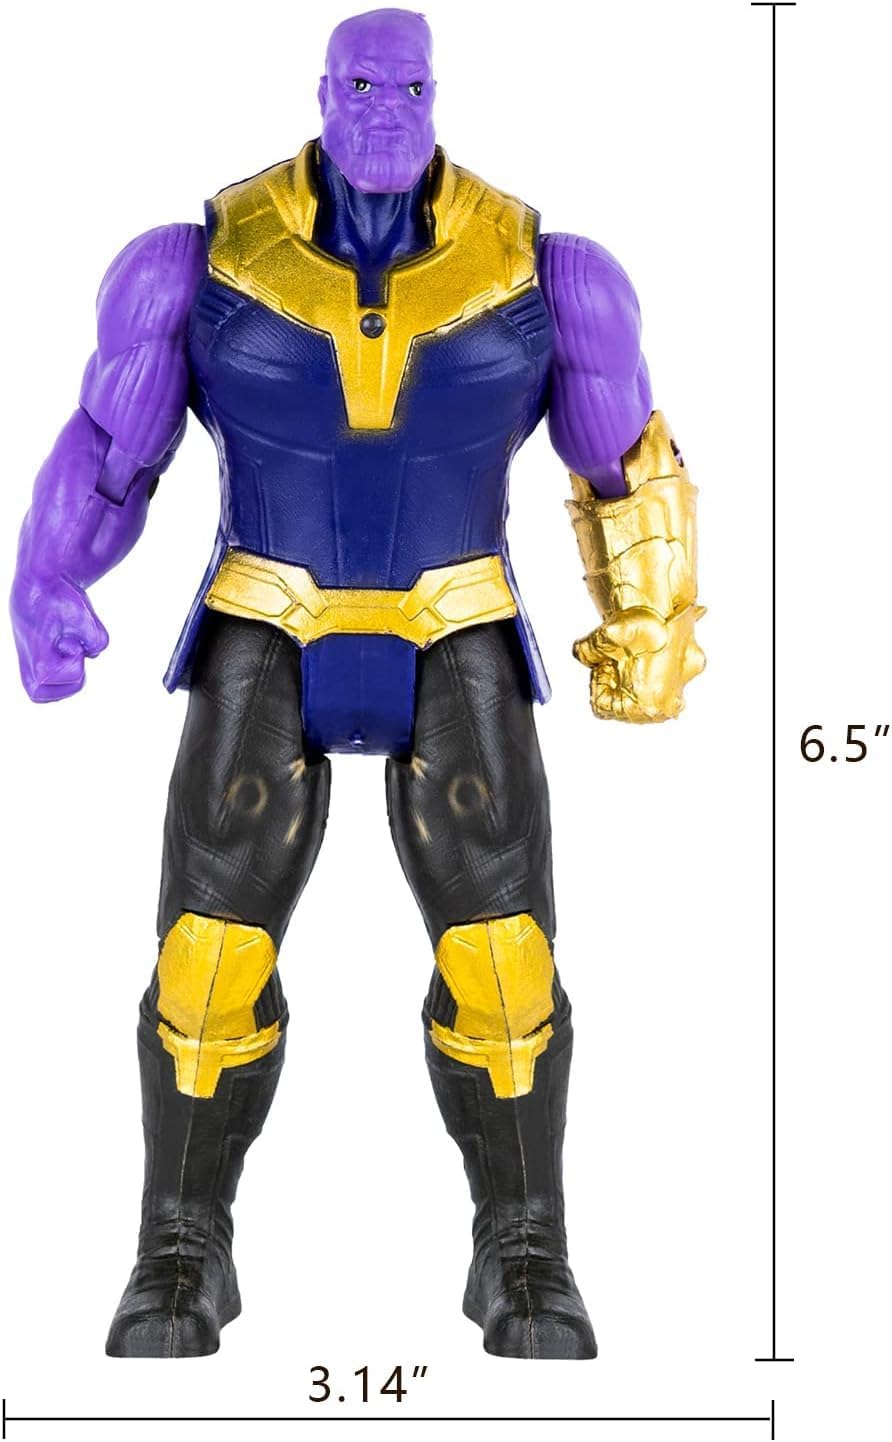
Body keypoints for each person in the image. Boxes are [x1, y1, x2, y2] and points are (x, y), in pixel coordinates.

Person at [10, 7, 704, 1359]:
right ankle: (178, 1243)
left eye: (410, 86)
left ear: (440, 94)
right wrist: (47, 576)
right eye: (364, 83)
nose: (387, 109)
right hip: (266, 612)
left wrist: (653, 617)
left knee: (505, 967)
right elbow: (108, 447)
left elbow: (623, 459)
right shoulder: (197, 263)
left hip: (459, 618)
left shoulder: (546, 271)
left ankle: (526, 1247)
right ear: (323, 91)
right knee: (206, 961)